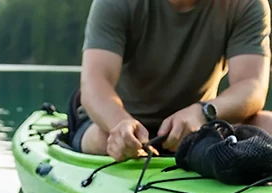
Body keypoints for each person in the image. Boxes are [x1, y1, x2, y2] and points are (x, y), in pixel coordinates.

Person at [69, 0, 272, 161]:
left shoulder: (245, 4)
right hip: (116, 121)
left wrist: (203, 112)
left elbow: (251, 86)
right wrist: (120, 123)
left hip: (198, 125)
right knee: (106, 139)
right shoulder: (116, 3)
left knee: (267, 124)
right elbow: (95, 83)